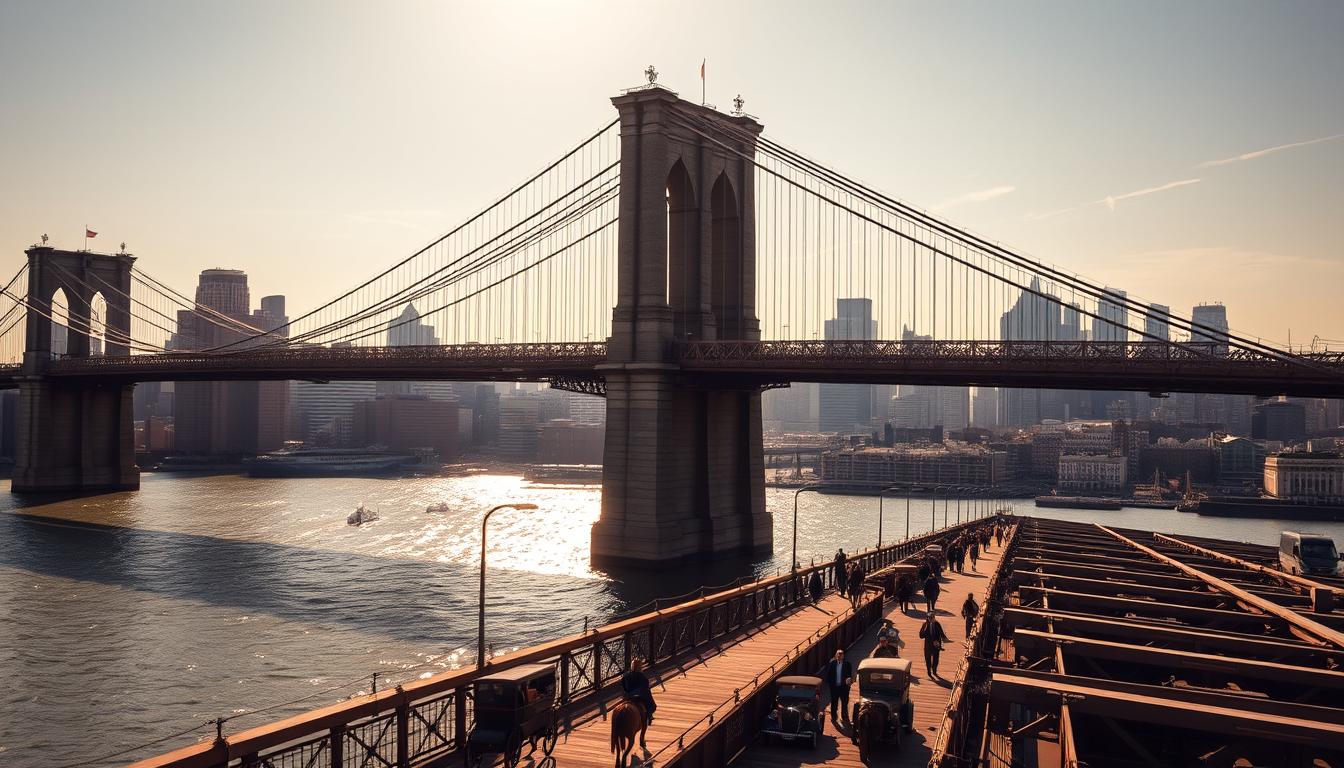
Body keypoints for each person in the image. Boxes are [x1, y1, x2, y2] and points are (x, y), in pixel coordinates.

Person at [621, 658, 657, 723]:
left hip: (629, 696)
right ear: (640, 667)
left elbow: (623, 687)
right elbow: (645, 689)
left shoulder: (626, 675)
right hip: (639, 695)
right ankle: (649, 716)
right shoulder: (642, 676)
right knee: (652, 705)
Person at [822, 649, 854, 722]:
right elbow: (828, 674)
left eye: (841, 654)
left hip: (844, 687)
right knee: (834, 702)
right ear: (836, 655)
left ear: (843, 656)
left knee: (844, 702)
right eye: (838, 654)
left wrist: (849, 681)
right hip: (834, 687)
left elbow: (850, 675)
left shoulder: (847, 664)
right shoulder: (832, 663)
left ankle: (844, 716)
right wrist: (830, 684)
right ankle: (834, 716)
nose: (839, 656)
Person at [919, 614, 951, 678]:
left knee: (936, 659)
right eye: (930, 618)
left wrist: (943, 640)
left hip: (936, 645)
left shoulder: (937, 624)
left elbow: (941, 633)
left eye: (933, 618)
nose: (932, 619)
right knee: (928, 659)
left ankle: (934, 671)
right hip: (928, 646)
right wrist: (926, 627)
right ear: (927, 618)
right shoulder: (925, 625)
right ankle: (929, 671)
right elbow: (921, 636)